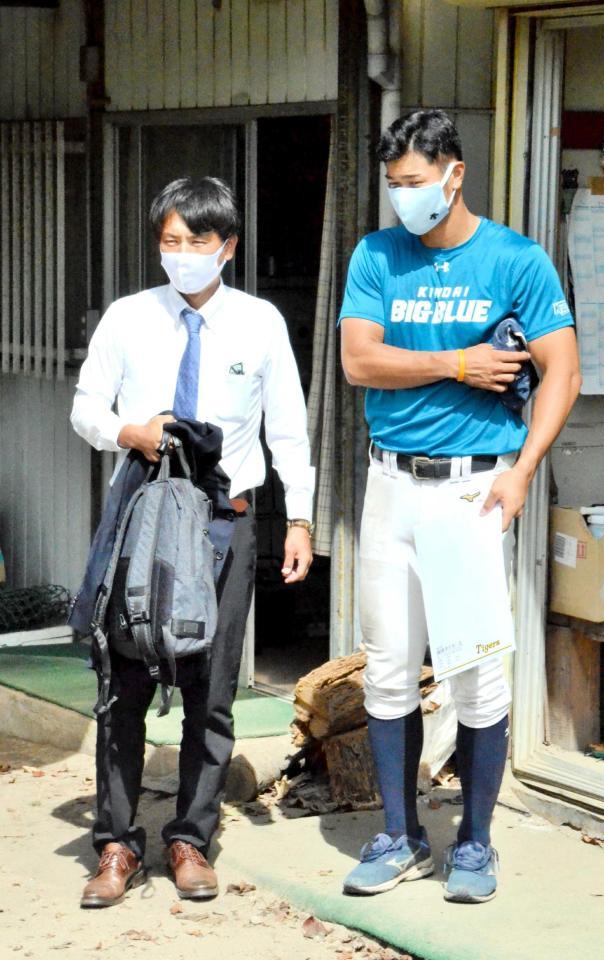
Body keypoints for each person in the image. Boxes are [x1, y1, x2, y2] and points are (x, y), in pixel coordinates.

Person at [338, 109, 581, 904]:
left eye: (415, 183)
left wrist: (522, 472)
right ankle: (400, 835)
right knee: (389, 670)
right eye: (394, 185)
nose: (403, 198)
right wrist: (455, 362)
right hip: (389, 487)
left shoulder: (515, 259)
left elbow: (563, 374)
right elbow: (358, 361)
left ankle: (474, 844)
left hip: (476, 488)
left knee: (478, 672)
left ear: (454, 174)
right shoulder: (377, 255)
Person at [71, 176, 314, 907]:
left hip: (224, 521)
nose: (179, 256)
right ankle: (115, 845)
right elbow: (85, 405)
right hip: (141, 513)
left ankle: (190, 838)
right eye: (168, 242)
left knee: (210, 689)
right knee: (124, 683)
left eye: (195, 243)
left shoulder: (260, 323)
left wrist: (298, 517)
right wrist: (127, 430)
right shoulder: (128, 317)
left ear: (227, 248)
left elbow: (289, 429)